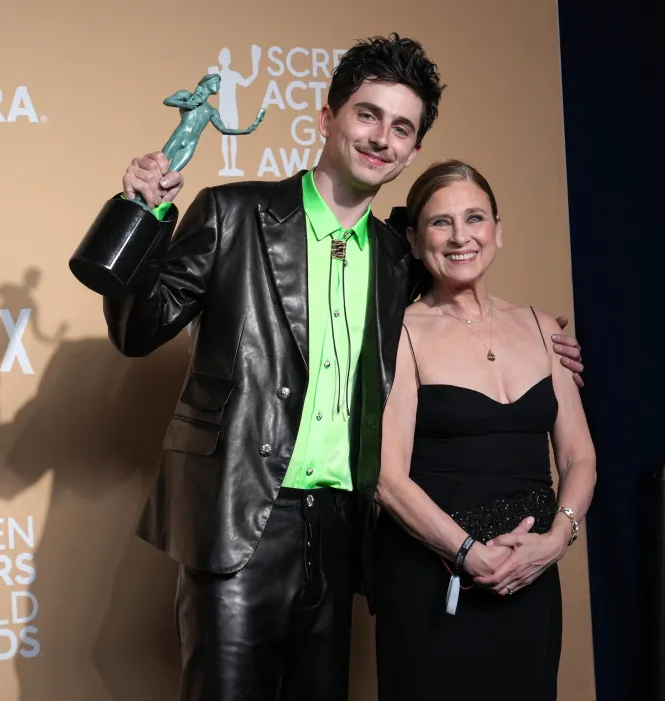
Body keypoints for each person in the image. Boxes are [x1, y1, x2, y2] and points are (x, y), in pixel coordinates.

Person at [85, 35, 585, 701]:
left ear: (411, 151)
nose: (382, 137)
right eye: (368, 115)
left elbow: (456, 309)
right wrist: (140, 216)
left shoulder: (398, 256)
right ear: (328, 118)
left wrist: (543, 334)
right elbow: (136, 329)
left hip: (344, 529)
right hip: (241, 519)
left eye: (402, 127)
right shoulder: (233, 215)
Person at [372, 159, 598, 700]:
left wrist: (553, 540)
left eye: (474, 218)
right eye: (440, 222)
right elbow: (385, 477)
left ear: (498, 228)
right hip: (433, 578)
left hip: (531, 573)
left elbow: (578, 459)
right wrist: (468, 551)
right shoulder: (399, 332)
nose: (460, 237)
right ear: (413, 237)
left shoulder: (544, 329)